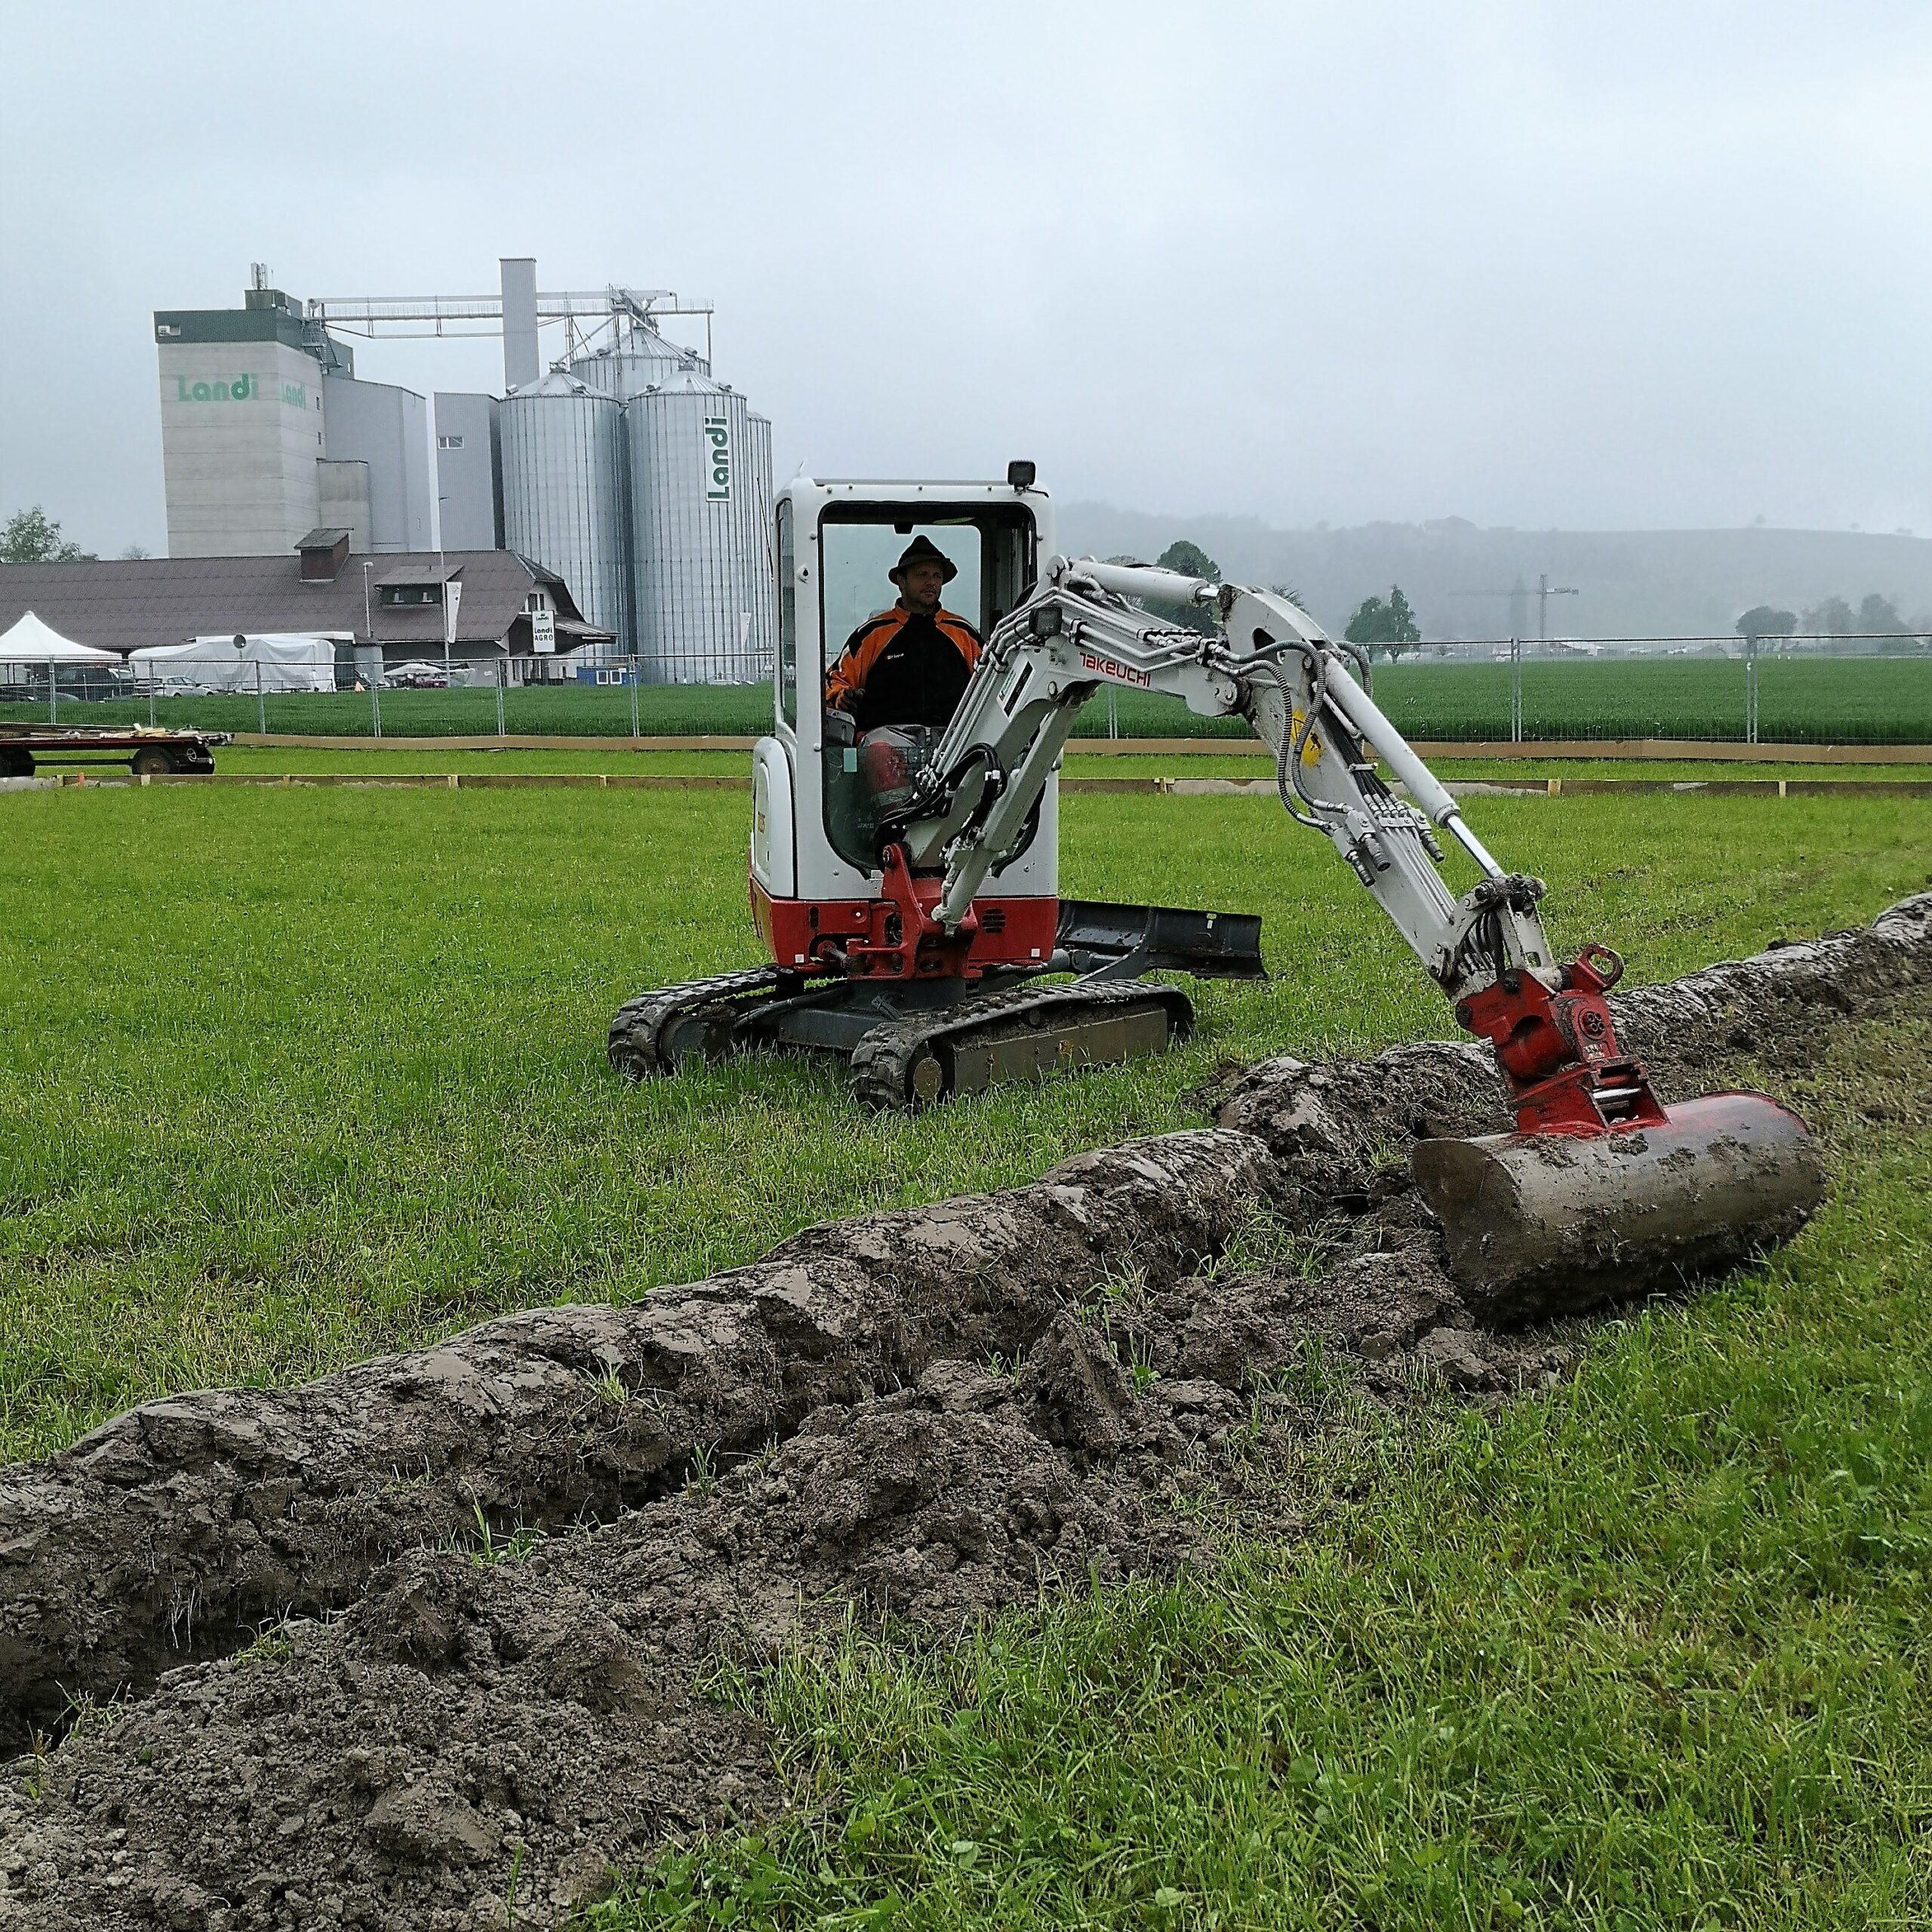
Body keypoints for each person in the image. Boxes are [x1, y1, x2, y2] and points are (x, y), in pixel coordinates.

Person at [825, 535, 980, 733]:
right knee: (880, 754)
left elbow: (990, 684)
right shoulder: (872, 634)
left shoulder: (964, 634)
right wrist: (842, 697)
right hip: (886, 734)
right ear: (901, 581)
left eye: (937, 576)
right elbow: (834, 680)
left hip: (953, 737)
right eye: (922, 575)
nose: (931, 582)